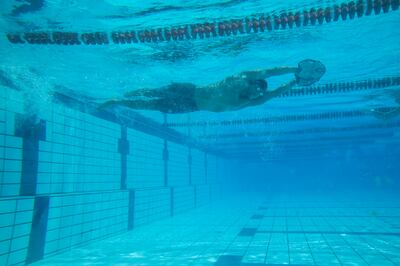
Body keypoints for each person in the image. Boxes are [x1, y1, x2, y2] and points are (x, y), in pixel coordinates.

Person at [100, 59, 326, 113]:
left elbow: (275, 92)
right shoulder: (241, 79)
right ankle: (127, 92)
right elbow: (268, 72)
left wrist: (294, 82)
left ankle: (118, 101)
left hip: (192, 107)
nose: (259, 92)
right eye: (258, 88)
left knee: (154, 106)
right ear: (253, 83)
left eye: (260, 92)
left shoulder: (251, 101)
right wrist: (292, 70)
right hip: (190, 90)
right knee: (154, 92)